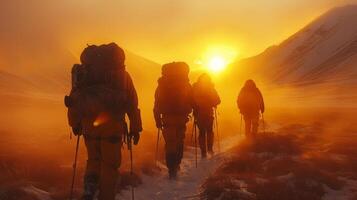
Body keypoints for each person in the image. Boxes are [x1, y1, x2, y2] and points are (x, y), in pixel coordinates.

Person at [65, 43, 142, 200]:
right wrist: (135, 128)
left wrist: (74, 123)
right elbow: (132, 104)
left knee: (93, 159)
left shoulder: (85, 73)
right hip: (112, 125)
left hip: (88, 125)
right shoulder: (123, 76)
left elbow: (74, 98)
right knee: (110, 165)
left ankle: (89, 189)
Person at [153, 62, 193, 179]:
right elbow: (192, 100)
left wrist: (157, 120)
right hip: (181, 118)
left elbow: (156, 104)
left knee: (170, 143)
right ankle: (177, 164)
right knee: (179, 141)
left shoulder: (162, 85)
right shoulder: (186, 84)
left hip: (167, 118)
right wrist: (196, 110)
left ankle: (172, 170)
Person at [192, 73, 221, 158]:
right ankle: (210, 149)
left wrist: (195, 107)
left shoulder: (195, 88)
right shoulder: (210, 88)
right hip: (208, 113)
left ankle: (203, 152)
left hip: (198, 114)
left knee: (201, 132)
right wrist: (212, 103)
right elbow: (218, 100)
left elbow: (191, 100)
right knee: (209, 131)